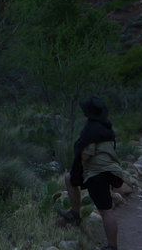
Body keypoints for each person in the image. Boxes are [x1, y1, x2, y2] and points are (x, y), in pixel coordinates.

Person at [58, 97, 125, 250]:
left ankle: (112, 247)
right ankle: (75, 214)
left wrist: (81, 165)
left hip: (97, 173)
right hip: (107, 171)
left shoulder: (92, 130)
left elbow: (86, 155)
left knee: (106, 212)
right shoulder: (105, 128)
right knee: (69, 178)